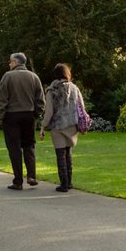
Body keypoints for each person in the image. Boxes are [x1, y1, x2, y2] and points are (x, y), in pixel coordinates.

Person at [0, 52, 45, 190]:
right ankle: (31, 176)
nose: (9, 64)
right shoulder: (34, 77)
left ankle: (18, 181)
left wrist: (1, 115)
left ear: (16, 62)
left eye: (10, 62)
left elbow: (1, 98)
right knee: (29, 146)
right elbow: (40, 100)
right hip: (29, 115)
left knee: (14, 148)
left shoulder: (8, 76)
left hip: (11, 116)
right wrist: (36, 114)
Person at [39, 63, 86, 192]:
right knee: (68, 154)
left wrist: (43, 126)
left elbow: (49, 112)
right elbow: (81, 107)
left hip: (58, 126)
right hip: (72, 125)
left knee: (60, 155)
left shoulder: (51, 90)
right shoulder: (75, 88)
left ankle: (64, 184)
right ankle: (69, 182)